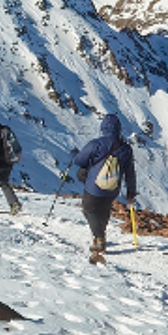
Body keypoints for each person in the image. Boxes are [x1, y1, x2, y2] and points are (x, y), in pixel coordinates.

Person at [68, 113, 136, 264]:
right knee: (104, 210)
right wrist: (131, 191)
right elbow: (130, 172)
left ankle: (99, 239)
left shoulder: (96, 144)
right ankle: (100, 237)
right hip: (113, 188)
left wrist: (74, 155)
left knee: (89, 209)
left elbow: (79, 160)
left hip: (94, 187)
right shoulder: (126, 149)